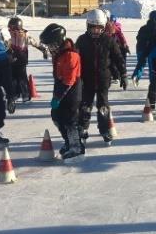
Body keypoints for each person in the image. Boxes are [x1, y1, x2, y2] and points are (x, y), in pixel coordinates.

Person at [76, 9, 127, 144]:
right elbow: (75, 60)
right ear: (88, 26)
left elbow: (118, 58)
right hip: (86, 81)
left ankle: (104, 129)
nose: (96, 31)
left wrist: (123, 74)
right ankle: (82, 128)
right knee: (85, 106)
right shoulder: (82, 40)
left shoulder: (108, 40)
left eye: (99, 28)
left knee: (103, 107)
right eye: (93, 28)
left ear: (103, 28)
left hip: (103, 80)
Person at [40, 23, 84, 160]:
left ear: (59, 42)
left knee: (70, 119)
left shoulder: (71, 55)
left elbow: (69, 79)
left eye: (52, 45)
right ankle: (68, 141)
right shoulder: (59, 54)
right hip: (61, 87)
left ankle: (76, 146)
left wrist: (58, 97)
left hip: (71, 90)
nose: (50, 49)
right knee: (56, 116)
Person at [7, 17, 48, 103]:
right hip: (12, 58)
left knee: (22, 77)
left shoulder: (25, 36)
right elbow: (6, 45)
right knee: (13, 77)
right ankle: (15, 94)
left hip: (21, 58)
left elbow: (35, 43)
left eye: (11, 28)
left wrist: (43, 49)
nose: (10, 30)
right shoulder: (9, 35)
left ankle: (26, 95)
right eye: (9, 28)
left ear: (17, 27)